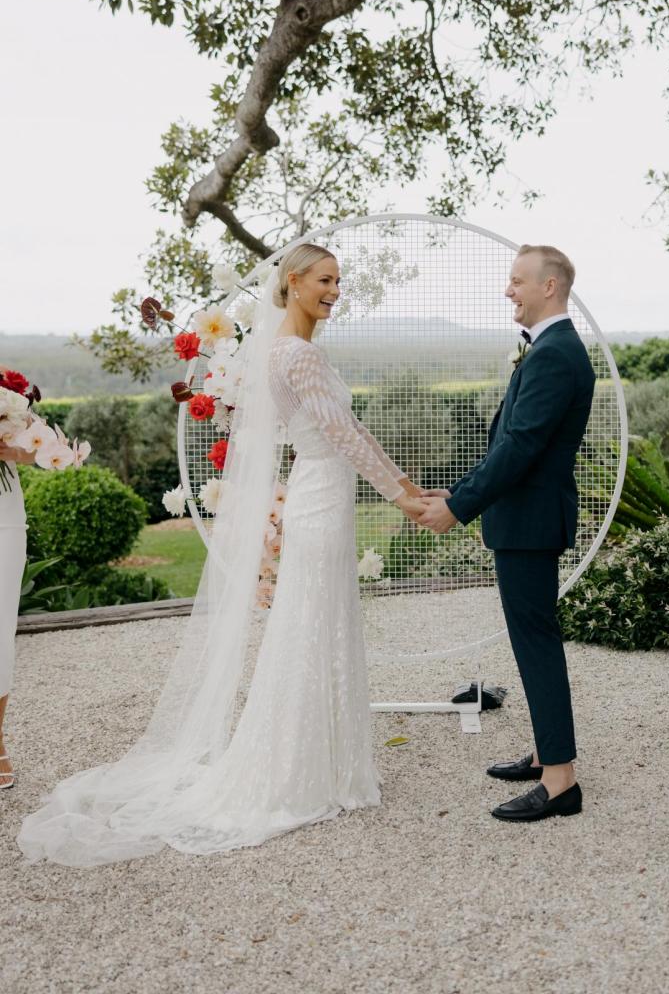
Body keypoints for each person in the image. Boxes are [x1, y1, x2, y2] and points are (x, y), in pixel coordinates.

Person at [18, 244, 424, 865]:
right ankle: (303, 772)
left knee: (316, 625)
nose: (335, 291)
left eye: (339, 281)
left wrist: (408, 486)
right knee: (312, 626)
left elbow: (352, 432)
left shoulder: (285, 350)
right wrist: (401, 497)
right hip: (320, 495)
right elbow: (342, 435)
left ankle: (325, 763)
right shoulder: (300, 354)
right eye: (325, 279)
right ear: (292, 282)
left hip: (323, 492)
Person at [419, 244, 595, 823]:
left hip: (529, 524)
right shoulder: (552, 349)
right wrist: (460, 489)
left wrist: (460, 507)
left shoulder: (553, 354)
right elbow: (512, 444)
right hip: (527, 519)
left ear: (550, 286)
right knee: (530, 641)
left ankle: (560, 781)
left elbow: (520, 449)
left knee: (536, 644)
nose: (508, 291)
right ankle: (549, 756)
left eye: (517, 281)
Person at [0, 371, 36, 791]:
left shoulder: (10, 391)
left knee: (0, 632)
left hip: (4, 521)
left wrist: (9, 447)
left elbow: (38, 452)